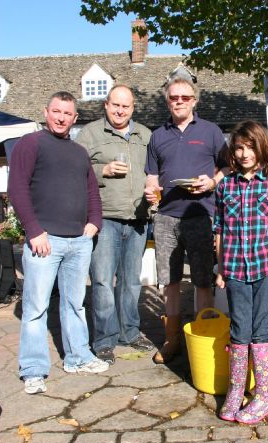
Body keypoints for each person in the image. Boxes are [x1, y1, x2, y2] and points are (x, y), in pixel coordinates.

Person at [8, 91, 109, 395]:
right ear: (46, 111)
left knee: (75, 304)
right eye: (56, 111)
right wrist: (34, 230)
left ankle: (77, 357)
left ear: (75, 118)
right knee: (36, 308)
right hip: (45, 241)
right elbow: (17, 189)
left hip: (78, 240)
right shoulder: (31, 143)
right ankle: (34, 370)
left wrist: (94, 223)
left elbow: (91, 190)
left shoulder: (79, 152)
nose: (61, 118)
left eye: (67, 113)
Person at [214, 120, 268, 424]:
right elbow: (219, 230)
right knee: (239, 329)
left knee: (262, 330)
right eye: (239, 147)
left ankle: (265, 396)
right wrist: (221, 267)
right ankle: (236, 390)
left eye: (249, 147)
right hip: (235, 268)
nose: (244, 153)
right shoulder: (226, 185)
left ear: (261, 147)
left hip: (266, 267)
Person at [144, 74, 228, 364]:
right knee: (170, 281)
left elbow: (229, 167)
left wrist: (213, 182)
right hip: (166, 217)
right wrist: (150, 189)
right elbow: (152, 176)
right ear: (167, 100)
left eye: (185, 97)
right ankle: (172, 341)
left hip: (201, 215)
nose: (179, 102)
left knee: (203, 280)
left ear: (194, 100)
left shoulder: (211, 131)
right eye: (173, 97)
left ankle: (202, 339)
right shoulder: (158, 136)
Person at [76, 84, 153, 365]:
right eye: (115, 105)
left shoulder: (145, 135)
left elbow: (155, 172)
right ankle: (105, 339)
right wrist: (103, 170)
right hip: (105, 219)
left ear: (133, 108)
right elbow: (76, 172)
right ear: (106, 105)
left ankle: (129, 332)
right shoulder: (90, 134)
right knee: (102, 282)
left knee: (131, 282)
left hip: (138, 219)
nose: (120, 111)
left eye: (126, 106)